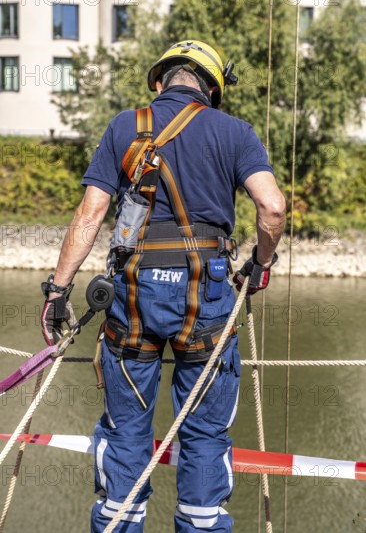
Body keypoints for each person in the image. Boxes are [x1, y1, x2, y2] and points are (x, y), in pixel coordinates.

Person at [41, 40, 286, 533]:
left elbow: (90, 214)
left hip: (133, 297)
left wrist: (58, 293)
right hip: (208, 298)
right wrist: (258, 265)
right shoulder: (235, 132)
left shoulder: (124, 126)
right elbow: (273, 208)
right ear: (212, 90)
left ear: (159, 82)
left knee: (126, 430)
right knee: (203, 432)